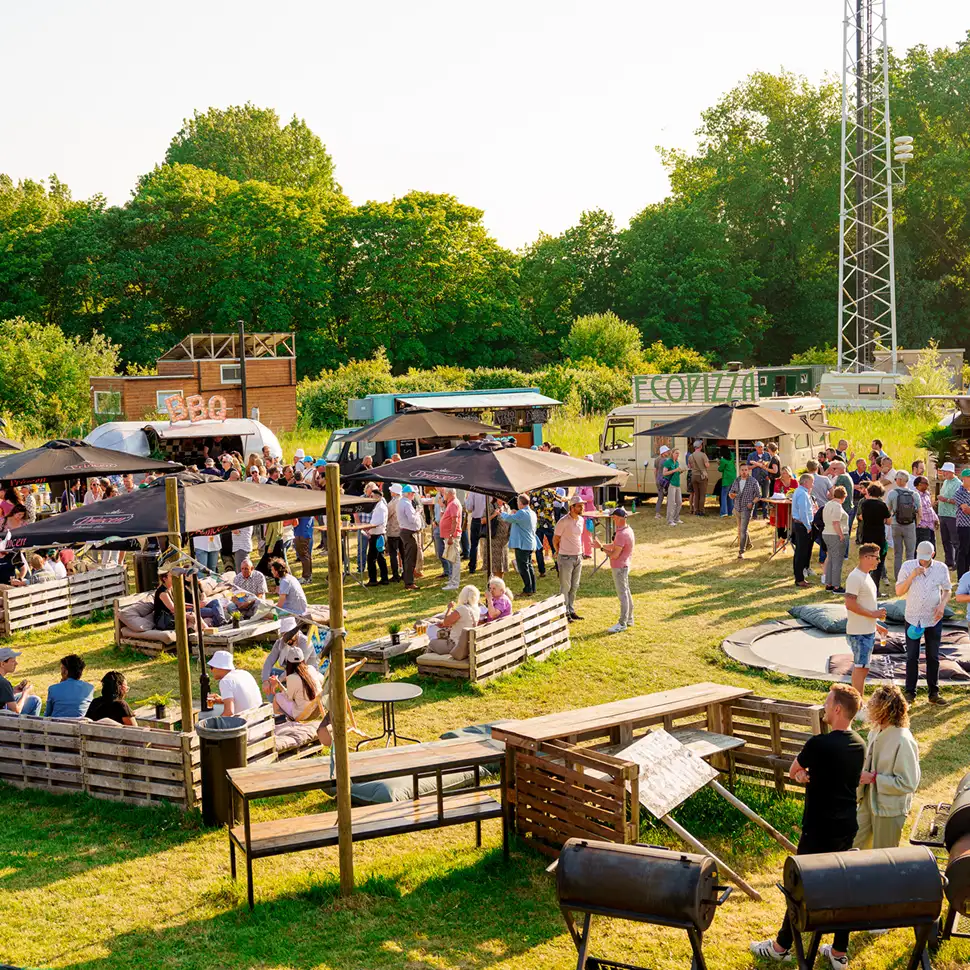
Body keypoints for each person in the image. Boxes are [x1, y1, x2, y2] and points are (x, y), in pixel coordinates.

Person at [750, 684, 864, 968]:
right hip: (846, 825)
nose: (824, 706)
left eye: (827, 702)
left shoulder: (819, 744)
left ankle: (781, 947)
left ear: (837, 708)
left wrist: (801, 776)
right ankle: (838, 952)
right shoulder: (859, 744)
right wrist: (807, 775)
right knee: (842, 885)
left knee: (798, 887)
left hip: (818, 827)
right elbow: (832, 774)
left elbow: (793, 770)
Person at [854, 685, 920, 851]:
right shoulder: (876, 731)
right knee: (854, 848)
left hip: (889, 810)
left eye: (873, 703)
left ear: (884, 709)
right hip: (868, 801)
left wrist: (874, 779)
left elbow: (908, 783)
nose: (868, 706)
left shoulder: (903, 740)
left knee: (883, 856)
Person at [896, 540, 951, 706]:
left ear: (933, 555)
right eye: (920, 558)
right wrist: (912, 576)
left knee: (933, 656)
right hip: (913, 618)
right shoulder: (907, 566)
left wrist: (942, 605)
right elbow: (899, 591)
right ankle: (910, 692)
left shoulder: (941, 568)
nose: (923, 561)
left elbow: (947, 589)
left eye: (926, 558)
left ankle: (933, 693)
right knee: (912, 656)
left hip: (933, 619)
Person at [844, 544, 889, 699]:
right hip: (859, 633)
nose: (879, 561)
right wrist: (874, 614)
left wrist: (876, 625)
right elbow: (850, 604)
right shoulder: (855, 577)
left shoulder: (866, 576)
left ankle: (857, 702)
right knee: (860, 668)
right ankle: (857, 704)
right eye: (876, 557)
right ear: (866, 557)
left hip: (866, 631)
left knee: (863, 668)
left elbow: (864, 604)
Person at [594, 507, 635, 633]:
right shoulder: (627, 530)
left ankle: (622, 623)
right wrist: (601, 545)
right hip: (625, 565)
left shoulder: (621, 534)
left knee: (623, 595)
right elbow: (615, 545)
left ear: (618, 518)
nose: (613, 519)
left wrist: (601, 548)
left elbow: (614, 555)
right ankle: (629, 619)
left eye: (614, 517)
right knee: (626, 592)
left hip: (619, 567)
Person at [269, 644, 325, 724]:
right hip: (317, 709)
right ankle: (286, 721)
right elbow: (321, 679)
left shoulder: (292, 678)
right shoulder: (311, 668)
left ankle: (281, 724)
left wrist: (278, 683)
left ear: (289, 663)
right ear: (303, 660)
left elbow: (289, 698)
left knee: (277, 697)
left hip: (303, 714)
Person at [554, 494, 586, 621]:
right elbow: (555, 539)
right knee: (565, 587)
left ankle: (571, 610)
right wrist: (559, 552)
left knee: (574, 586)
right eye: (579, 506)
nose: (582, 508)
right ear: (572, 507)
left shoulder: (581, 520)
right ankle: (564, 612)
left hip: (578, 557)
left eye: (582, 505)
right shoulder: (563, 522)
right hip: (566, 558)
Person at [261, 619, 315, 692]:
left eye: (289, 634)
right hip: (289, 675)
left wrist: (278, 680)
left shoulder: (305, 642)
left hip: (305, 677)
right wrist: (265, 681)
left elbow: (296, 667)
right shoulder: (280, 642)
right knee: (270, 675)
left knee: (284, 679)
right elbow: (269, 661)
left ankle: (283, 697)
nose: (287, 638)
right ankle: (276, 698)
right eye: (284, 634)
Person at [427, 585, 480, 660]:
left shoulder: (462, 608)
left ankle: (426, 663)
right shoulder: (476, 609)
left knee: (432, 643)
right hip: (468, 644)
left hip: (456, 645)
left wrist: (449, 608)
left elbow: (446, 623)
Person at [501, 494, 538, 596]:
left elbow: (509, 518)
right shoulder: (531, 512)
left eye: (518, 502)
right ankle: (532, 588)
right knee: (529, 566)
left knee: (523, 567)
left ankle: (528, 589)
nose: (517, 504)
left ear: (520, 503)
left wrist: (502, 513)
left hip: (523, 543)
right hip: (529, 543)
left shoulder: (522, 513)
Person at [857, 482, 891, 590]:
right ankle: (875, 588)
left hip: (867, 534)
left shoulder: (864, 504)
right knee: (878, 562)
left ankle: (864, 586)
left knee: (866, 561)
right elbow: (889, 521)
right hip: (879, 535)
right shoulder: (882, 505)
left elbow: (861, 517)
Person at [207, 650, 262, 715]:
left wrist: (215, 721)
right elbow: (244, 700)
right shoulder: (245, 673)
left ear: (219, 667)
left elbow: (229, 712)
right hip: (258, 716)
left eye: (212, 667)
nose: (211, 670)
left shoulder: (225, 681)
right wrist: (223, 700)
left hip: (245, 720)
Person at [886, 469, 918, 580]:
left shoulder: (892, 493)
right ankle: (909, 577)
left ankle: (898, 577)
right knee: (910, 553)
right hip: (910, 525)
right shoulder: (914, 494)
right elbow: (920, 512)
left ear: (899, 480)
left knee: (898, 553)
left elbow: (888, 510)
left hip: (896, 525)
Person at [45, 654, 94, 718]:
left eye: (61, 669)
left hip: (57, 723)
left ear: (66, 672)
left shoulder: (53, 689)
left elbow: (48, 714)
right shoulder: (89, 688)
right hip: (80, 723)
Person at [729, 463, 760, 560]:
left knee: (742, 530)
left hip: (747, 508)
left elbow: (758, 495)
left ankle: (741, 551)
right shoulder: (737, 480)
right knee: (741, 529)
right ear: (739, 471)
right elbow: (731, 492)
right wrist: (731, 495)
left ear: (748, 470)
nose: (744, 472)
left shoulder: (753, 481)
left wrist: (752, 502)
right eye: (742, 470)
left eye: (746, 470)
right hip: (737, 507)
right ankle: (749, 544)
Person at [822, 485, 850, 593]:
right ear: (844, 496)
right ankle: (836, 586)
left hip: (826, 533)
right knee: (837, 561)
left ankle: (829, 583)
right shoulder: (837, 506)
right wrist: (841, 535)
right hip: (835, 534)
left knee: (830, 559)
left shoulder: (828, 504)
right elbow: (836, 522)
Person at [791, 473, 815, 588]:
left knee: (800, 552)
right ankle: (799, 579)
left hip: (800, 524)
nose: (812, 484)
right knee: (801, 552)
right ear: (805, 482)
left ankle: (799, 577)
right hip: (802, 525)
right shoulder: (802, 494)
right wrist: (808, 526)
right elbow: (803, 512)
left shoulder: (800, 492)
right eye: (811, 482)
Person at [0, 647, 41, 715]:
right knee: (35, 700)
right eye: (13, 661)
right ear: (2, 664)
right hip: (3, 718)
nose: (16, 663)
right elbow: (17, 710)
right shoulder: (3, 683)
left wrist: (13, 690)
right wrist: (25, 693)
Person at [397, 485, 423, 591]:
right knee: (410, 558)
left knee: (408, 557)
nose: (413, 495)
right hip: (409, 532)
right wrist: (418, 513)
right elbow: (412, 519)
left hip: (406, 531)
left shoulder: (402, 502)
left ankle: (408, 579)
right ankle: (409, 582)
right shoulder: (406, 504)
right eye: (412, 493)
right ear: (408, 494)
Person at [363, 482, 389, 587]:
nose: (371, 498)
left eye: (372, 496)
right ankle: (384, 578)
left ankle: (373, 579)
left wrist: (368, 527)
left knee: (372, 558)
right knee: (380, 558)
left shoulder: (380, 507)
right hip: (378, 534)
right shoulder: (379, 506)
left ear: (377, 497)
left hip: (377, 535)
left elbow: (378, 521)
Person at [438, 486, 463, 592]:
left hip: (452, 536)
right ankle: (452, 580)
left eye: (445, 493)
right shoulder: (451, 503)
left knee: (455, 559)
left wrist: (451, 535)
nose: (444, 495)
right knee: (451, 558)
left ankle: (454, 583)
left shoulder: (453, 504)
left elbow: (455, 521)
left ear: (449, 494)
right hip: (449, 535)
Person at [936, 461, 960, 569]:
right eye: (943, 471)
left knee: (955, 540)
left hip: (952, 515)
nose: (943, 473)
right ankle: (949, 561)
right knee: (945, 540)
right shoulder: (945, 482)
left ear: (951, 472)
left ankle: (958, 562)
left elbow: (959, 500)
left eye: (945, 471)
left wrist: (945, 500)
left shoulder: (958, 484)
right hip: (943, 514)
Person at [531, 487, 557, 578]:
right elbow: (561, 500)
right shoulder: (551, 492)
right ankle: (559, 567)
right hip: (549, 523)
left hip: (538, 524)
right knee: (554, 547)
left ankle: (542, 571)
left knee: (538, 548)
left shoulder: (533, 493)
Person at [484, 497, 510, 580]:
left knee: (502, 564)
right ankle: (493, 583)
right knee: (494, 565)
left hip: (504, 541)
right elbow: (483, 520)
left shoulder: (507, 507)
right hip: (494, 540)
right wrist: (494, 515)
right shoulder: (491, 506)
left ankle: (500, 583)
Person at [914, 476, 939, 552]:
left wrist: (936, 519)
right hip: (922, 527)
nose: (928, 485)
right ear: (919, 484)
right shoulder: (914, 495)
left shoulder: (927, 494)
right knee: (922, 551)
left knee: (932, 551)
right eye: (926, 483)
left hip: (930, 527)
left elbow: (929, 508)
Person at [465, 490, 488, 574]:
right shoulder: (488, 490)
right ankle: (487, 565)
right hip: (487, 519)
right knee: (487, 544)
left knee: (474, 545)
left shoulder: (473, 492)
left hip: (476, 520)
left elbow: (469, 508)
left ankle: (472, 567)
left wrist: (466, 500)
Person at [662, 448, 687, 527]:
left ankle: (676, 518)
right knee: (671, 503)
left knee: (679, 502)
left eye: (678, 453)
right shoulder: (668, 462)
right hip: (671, 485)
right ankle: (670, 520)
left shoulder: (677, 462)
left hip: (677, 484)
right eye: (676, 453)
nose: (678, 455)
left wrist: (680, 471)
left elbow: (676, 473)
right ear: (672, 453)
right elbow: (664, 473)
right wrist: (675, 470)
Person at [386, 484, 403, 582]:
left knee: (393, 554)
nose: (390, 491)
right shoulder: (403, 500)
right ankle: (405, 573)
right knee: (403, 553)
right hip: (402, 530)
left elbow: (387, 515)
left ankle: (395, 575)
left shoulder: (393, 503)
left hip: (393, 531)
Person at [748, 441, 771, 518]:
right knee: (755, 496)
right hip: (755, 478)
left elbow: (770, 466)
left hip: (766, 477)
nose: (761, 448)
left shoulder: (767, 455)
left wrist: (769, 475)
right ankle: (754, 515)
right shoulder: (751, 455)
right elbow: (748, 467)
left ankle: (765, 514)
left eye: (762, 447)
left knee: (765, 496)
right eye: (759, 447)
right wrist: (757, 464)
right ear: (756, 448)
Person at [687, 440, 709, 516]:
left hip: (694, 476)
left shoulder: (691, 456)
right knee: (702, 494)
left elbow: (689, 466)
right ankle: (701, 511)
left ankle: (696, 510)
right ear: (700, 446)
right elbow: (707, 465)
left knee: (696, 494)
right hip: (702, 476)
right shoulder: (703, 455)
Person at [653, 444, 671, 520]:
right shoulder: (665, 460)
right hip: (664, 480)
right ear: (663, 452)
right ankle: (669, 513)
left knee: (660, 497)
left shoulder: (656, 459)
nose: (668, 452)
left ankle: (657, 513)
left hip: (658, 480)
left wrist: (656, 479)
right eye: (667, 451)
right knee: (669, 496)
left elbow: (655, 470)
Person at [718, 446, 736, 517]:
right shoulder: (732, 456)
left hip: (726, 479)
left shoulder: (723, 460)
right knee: (730, 496)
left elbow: (720, 469)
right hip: (733, 478)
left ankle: (724, 512)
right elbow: (732, 453)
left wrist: (719, 464)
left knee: (724, 496)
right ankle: (731, 512)